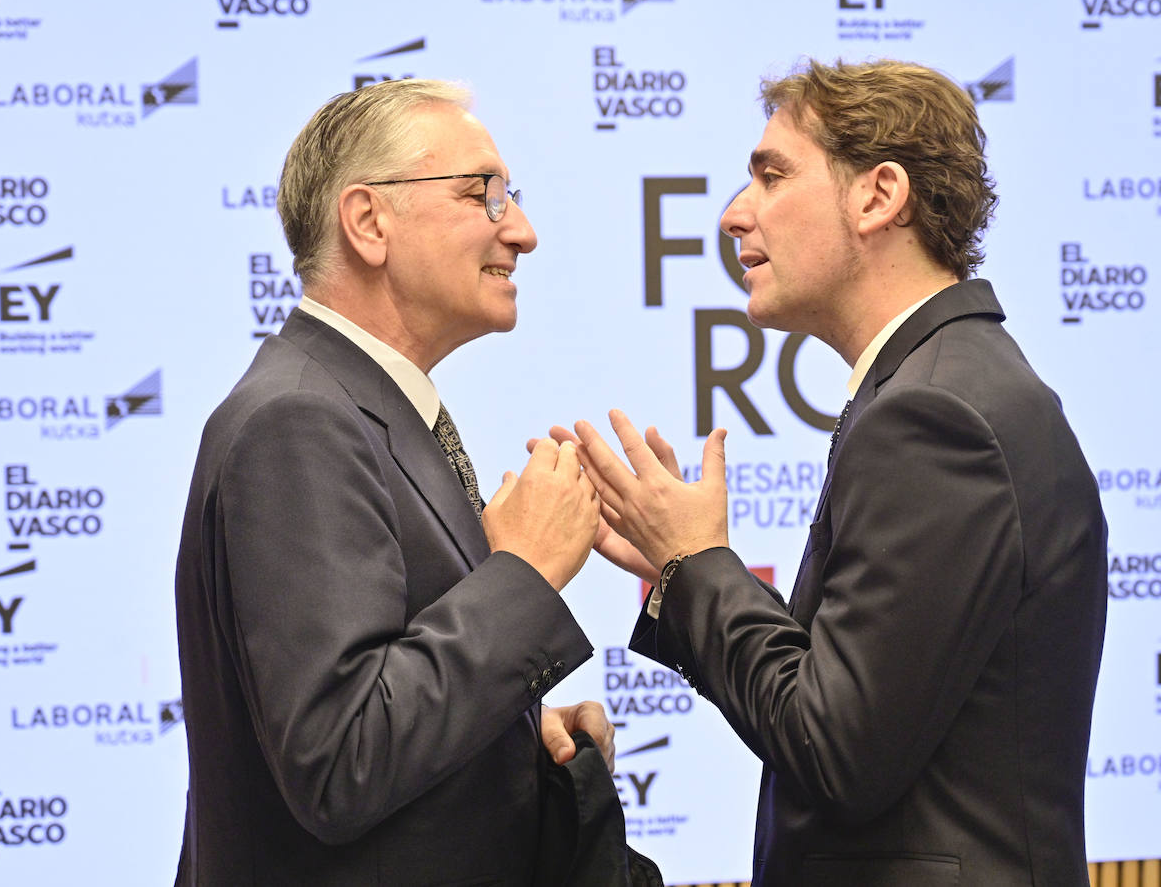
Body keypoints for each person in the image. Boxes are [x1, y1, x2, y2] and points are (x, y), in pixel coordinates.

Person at [568, 59, 1108, 885]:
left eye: (771, 175)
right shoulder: (942, 383)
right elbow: (854, 696)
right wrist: (684, 571)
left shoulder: (934, 416)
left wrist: (700, 566)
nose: (732, 215)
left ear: (878, 196)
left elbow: (835, 747)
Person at [173, 79, 612, 886]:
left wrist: (518, 740)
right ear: (370, 222)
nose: (522, 230)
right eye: (483, 194)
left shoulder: (351, 406)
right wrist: (524, 574)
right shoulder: (300, 421)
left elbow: (372, 714)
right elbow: (340, 760)